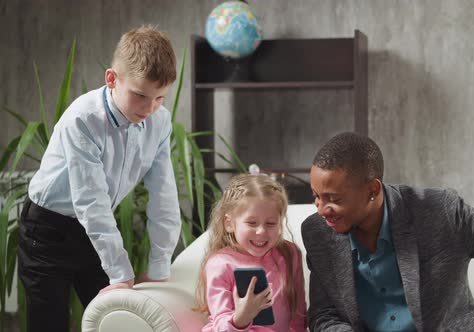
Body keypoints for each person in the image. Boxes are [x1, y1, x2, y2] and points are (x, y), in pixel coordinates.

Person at [301, 132, 474, 332]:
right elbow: (324, 314)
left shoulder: (442, 212)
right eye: (315, 196)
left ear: (372, 190)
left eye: (332, 199)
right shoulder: (317, 233)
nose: (321, 209)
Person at [18, 25, 181, 332]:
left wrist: (160, 266)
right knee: (49, 324)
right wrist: (120, 274)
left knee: (117, 319)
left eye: (160, 97)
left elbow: (164, 195)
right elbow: (90, 201)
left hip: (92, 232)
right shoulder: (83, 119)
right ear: (111, 79)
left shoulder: (160, 120)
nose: (150, 108)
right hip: (46, 231)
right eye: (140, 96)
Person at [195, 174, 307, 331]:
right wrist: (242, 317)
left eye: (270, 223)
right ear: (229, 224)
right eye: (251, 223)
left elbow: (298, 313)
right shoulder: (221, 264)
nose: (261, 231)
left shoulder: (289, 253)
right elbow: (221, 324)